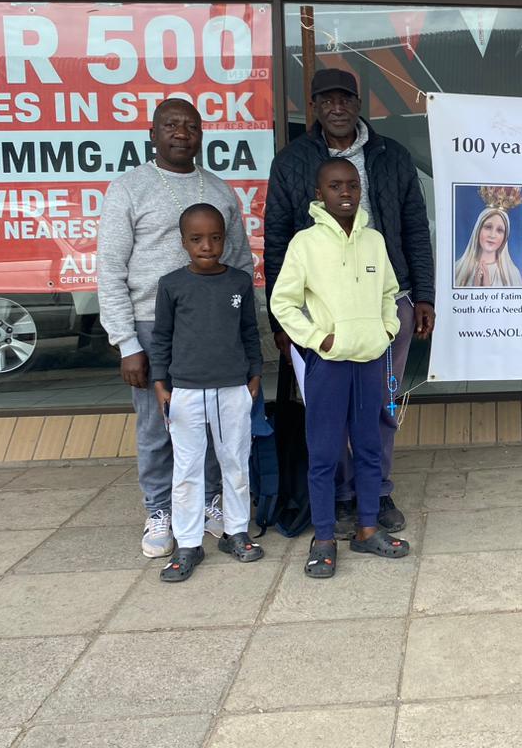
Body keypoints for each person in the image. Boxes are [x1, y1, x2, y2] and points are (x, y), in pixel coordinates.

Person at [265, 68, 435, 538]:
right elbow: (277, 239)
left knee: (380, 405)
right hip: (324, 315)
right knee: (329, 411)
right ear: (314, 107)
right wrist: (283, 323)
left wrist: (423, 295)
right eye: (326, 100)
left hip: (388, 303)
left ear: (359, 104)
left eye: (345, 99)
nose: (336, 107)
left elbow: (415, 226)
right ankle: (340, 497)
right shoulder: (293, 160)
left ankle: (376, 492)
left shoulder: (390, 155)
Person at [98, 98, 254, 558]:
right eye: (171, 125)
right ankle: (160, 510)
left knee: (214, 423)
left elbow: (241, 263)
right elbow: (110, 269)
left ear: (202, 134)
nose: (181, 133)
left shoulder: (219, 190)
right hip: (152, 327)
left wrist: (246, 340)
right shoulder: (129, 188)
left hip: (215, 328)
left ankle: (208, 502)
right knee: (158, 426)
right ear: (153, 133)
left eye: (191, 126)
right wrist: (127, 342)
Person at [271, 158, 410, 578]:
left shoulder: (373, 241)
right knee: (325, 453)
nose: (345, 192)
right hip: (329, 365)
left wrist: (386, 329)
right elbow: (283, 302)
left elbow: (388, 292)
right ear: (320, 194)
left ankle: (367, 529)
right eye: (335, 186)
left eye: (352, 185)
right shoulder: (305, 244)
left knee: (369, 448)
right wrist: (319, 339)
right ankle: (325, 538)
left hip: (369, 361)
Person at [150, 204, 264, 582]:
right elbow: (161, 337)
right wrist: (160, 383)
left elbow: (249, 331)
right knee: (187, 468)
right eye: (197, 239)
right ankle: (187, 543)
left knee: (236, 461)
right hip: (185, 390)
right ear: (183, 242)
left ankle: (236, 532)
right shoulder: (172, 285)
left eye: (215, 238)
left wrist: (254, 374)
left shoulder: (238, 282)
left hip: (233, 387)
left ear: (225, 239)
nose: (207, 246)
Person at [452, 186, 522, 288]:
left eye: (499, 230)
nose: (492, 235)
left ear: (505, 237)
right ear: (478, 229)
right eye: (488, 227)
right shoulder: (457, 269)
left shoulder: (512, 274)